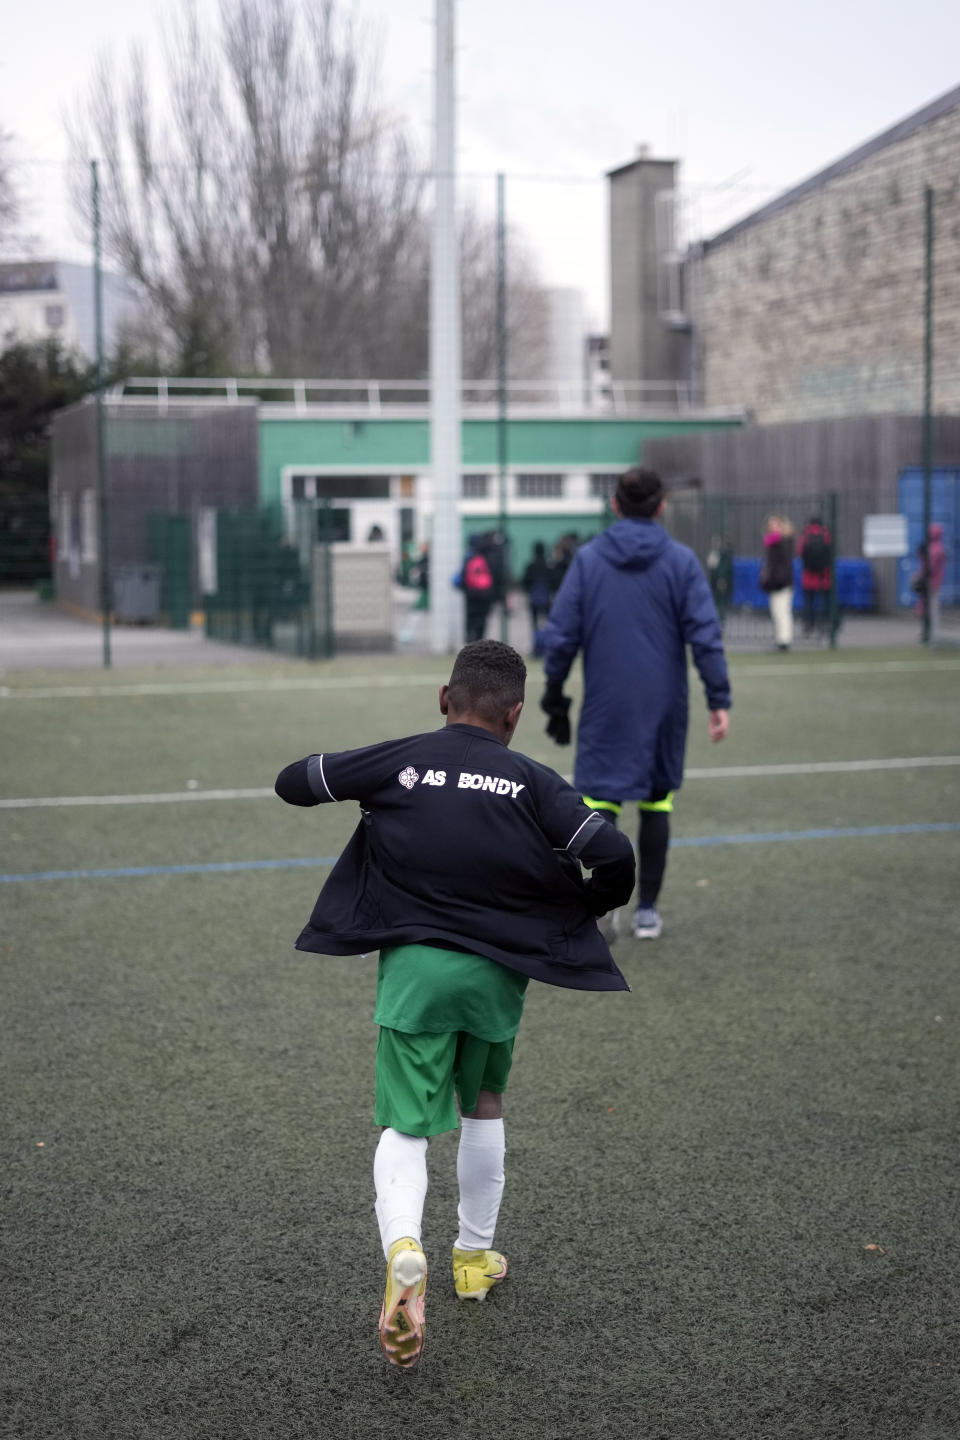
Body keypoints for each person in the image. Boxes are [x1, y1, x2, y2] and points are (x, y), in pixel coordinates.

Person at [274, 640, 635, 1370]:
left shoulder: (400, 759)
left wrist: (366, 778)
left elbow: (294, 782)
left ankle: (406, 1250)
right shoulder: (531, 781)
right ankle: (473, 1261)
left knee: (407, 1125)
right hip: (498, 974)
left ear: (445, 698)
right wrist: (578, 909)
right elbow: (614, 854)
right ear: (516, 714)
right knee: (485, 1104)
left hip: (417, 974)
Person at [539, 466, 731, 942]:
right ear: (661, 506)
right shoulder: (682, 561)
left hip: (606, 704)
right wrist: (718, 697)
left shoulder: (588, 560)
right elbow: (705, 635)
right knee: (656, 802)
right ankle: (647, 910)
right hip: (665, 705)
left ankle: (603, 912)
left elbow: (561, 634)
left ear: (614, 505)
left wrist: (554, 691)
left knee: (601, 803)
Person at [759, 515, 795, 651]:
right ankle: (780, 638)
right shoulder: (771, 542)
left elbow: (783, 564)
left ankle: (785, 640)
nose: (772, 527)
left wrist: (779, 578)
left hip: (783, 581)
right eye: (771, 524)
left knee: (783, 611)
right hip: (774, 582)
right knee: (776, 611)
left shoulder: (784, 541)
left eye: (775, 524)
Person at [798, 515, 832, 636]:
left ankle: (808, 624)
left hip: (808, 575)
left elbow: (799, 551)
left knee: (808, 601)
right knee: (824, 601)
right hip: (824, 576)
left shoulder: (805, 535)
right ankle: (824, 623)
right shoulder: (826, 534)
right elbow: (831, 553)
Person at [460, 535, 495, 641]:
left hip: (471, 593)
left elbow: (463, 575)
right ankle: (480, 640)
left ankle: (470, 639)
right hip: (485, 593)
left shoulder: (468, 555)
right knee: (482, 619)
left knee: (471, 618)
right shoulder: (488, 555)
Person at [521, 541, 555, 649]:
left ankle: (537, 646)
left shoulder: (530, 566)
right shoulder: (548, 566)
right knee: (548, 624)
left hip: (534, 599)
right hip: (546, 598)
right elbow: (554, 582)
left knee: (534, 624)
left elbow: (525, 582)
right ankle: (547, 645)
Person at [705, 534, 734, 629]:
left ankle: (721, 620)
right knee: (715, 600)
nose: (714, 543)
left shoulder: (723, 553)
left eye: (716, 541)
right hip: (713, 580)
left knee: (721, 601)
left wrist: (722, 579)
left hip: (720, 580)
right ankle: (715, 619)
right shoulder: (714, 552)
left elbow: (725, 568)